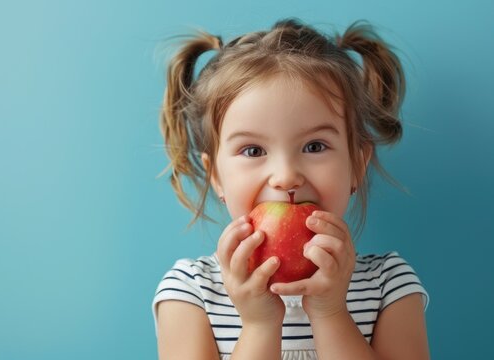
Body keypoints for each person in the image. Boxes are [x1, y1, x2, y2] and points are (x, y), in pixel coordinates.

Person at [152, 18, 430, 359]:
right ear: (218, 178)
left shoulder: (389, 284)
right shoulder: (191, 291)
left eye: (314, 146)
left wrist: (330, 313)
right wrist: (258, 325)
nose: (286, 177)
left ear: (357, 165)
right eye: (253, 151)